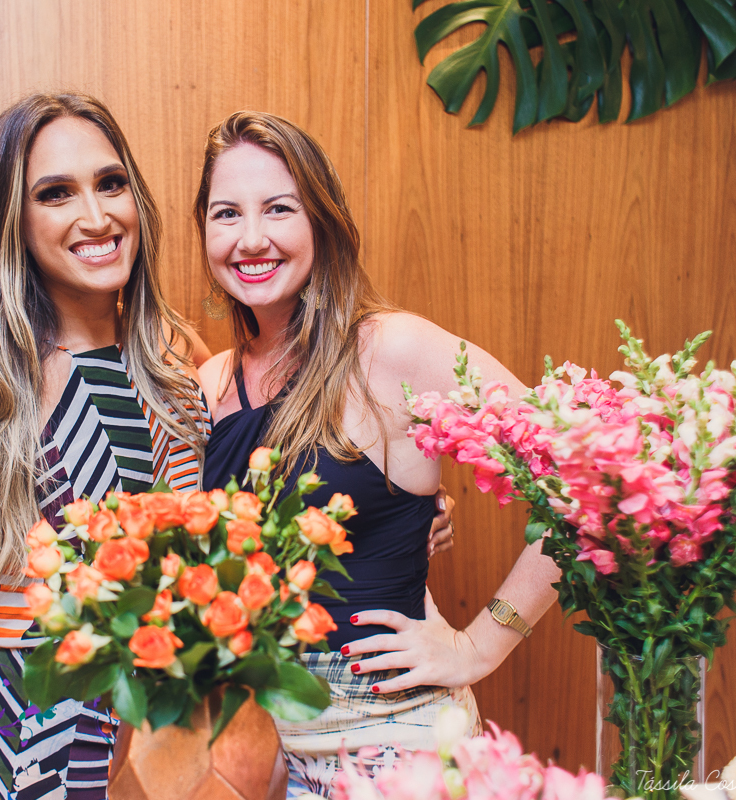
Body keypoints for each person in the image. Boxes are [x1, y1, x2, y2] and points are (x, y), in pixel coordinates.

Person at [193, 111, 561, 798]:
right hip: (268, 753)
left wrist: (481, 643)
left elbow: (577, 476)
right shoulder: (211, 385)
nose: (251, 238)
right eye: (225, 214)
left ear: (322, 223)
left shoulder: (389, 350)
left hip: (394, 746)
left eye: (278, 208)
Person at [0, 93, 212, 800]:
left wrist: (407, 511)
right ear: (13, 220)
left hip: (175, 744)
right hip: (44, 747)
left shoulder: (178, 355)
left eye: (111, 183)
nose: (97, 217)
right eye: (56, 194)